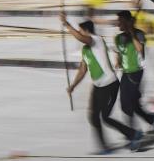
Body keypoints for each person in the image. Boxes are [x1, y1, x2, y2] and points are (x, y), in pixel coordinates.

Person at [61, 14, 142, 154]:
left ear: (87, 30)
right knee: (93, 117)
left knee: (105, 117)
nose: (79, 34)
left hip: (109, 84)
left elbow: (81, 38)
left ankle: (133, 134)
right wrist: (73, 86)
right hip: (98, 86)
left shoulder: (96, 40)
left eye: (81, 31)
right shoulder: (85, 49)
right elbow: (83, 69)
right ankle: (104, 147)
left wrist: (66, 25)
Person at [114, 10, 154, 131]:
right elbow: (119, 52)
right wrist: (117, 61)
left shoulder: (139, 34)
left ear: (128, 22)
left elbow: (140, 50)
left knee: (127, 105)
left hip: (136, 73)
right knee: (131, 103)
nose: (118, 24)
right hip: (125, 73)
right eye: (118, 21)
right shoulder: (118, 38)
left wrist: (131, 31)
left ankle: (134, 134)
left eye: (121, 22)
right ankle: (150, 119)